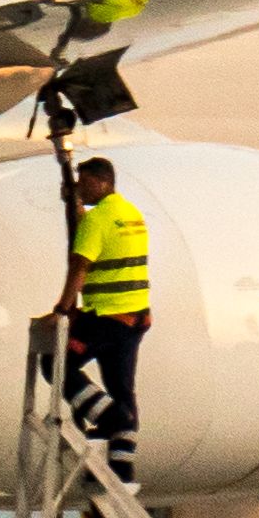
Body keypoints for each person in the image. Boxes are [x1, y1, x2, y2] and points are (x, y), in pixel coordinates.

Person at [67, 155, 153, 472]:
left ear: (103, 182)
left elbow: (80, 264)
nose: (81, 188)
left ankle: (109, 418)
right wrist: (76, 207)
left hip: (105, 316)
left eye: (85, 182)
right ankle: (122, 465)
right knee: (121, 385)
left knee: (57, 365)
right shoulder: (130, 214)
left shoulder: (97, 220)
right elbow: (96, 233)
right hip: (135, 316)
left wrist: (63, 308)